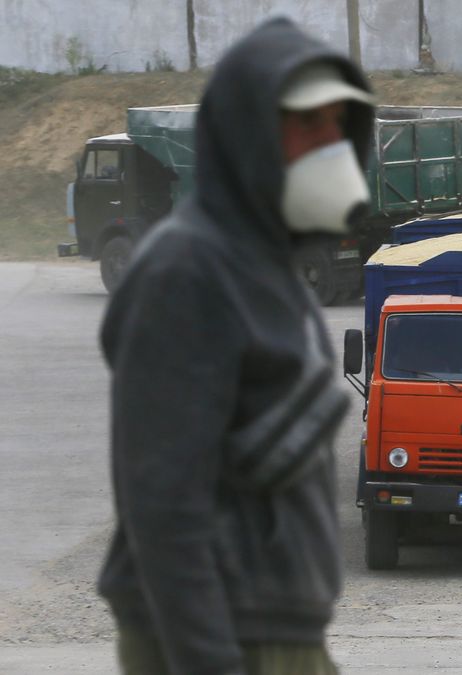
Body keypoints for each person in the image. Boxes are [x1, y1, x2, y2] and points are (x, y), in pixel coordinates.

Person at [98, 17, 374, 675]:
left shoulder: (264, 265)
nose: (332, 145)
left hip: (275, 631)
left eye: (339, 124)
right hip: (225, 639)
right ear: (248, 135)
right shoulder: (186, 271)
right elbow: (162, 503)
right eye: (308, 125)